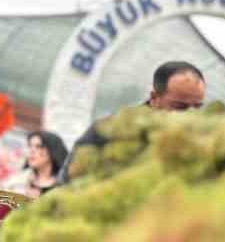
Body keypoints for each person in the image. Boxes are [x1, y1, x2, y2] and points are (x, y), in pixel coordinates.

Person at [64, 61, 207, 177]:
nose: (190, 115)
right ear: (154, 98)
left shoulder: (207, 141)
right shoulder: (108, 133)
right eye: (180, 107)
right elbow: (66, 186)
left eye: (197, 107)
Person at [25, 130, 68, 197]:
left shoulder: (65, 186)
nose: (32, 151)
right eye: (30, 146)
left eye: (39, 146)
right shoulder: (17, 182)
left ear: (52, 150)